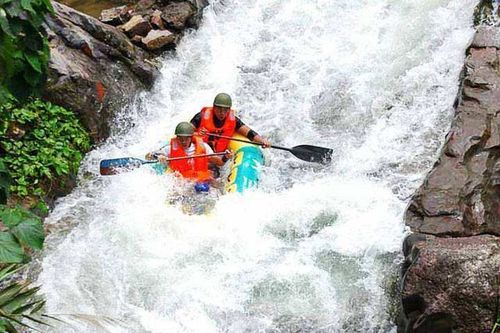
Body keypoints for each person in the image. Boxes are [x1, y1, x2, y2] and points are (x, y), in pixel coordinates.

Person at [145, 122, 232, 183]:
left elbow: (219, 162)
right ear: (177, 137)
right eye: (180, 138)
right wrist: (158, 157)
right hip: (181, 181)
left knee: (207, 186)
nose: (183, 141)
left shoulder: (204, 147)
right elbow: (148, 156)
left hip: (199, 179)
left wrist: (226, 157)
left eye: (186, 138)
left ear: (191, 137)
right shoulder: (170, 149)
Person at [190, 93, 271, 153]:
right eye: (219, 109)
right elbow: (186, 132)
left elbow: (249, 133)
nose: (222, 112)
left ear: (229, 109)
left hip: (218, 156)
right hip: (200, 151)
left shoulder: (233, 120)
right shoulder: (200, 117)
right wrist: (197, 133)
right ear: (214, 107)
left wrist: (262, 141)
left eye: (225, 110)